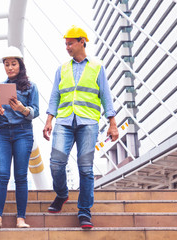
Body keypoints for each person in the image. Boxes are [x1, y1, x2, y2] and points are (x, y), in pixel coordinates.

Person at [43, 26, 119, 229]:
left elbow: (106, 96)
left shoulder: (97, 66)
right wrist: (49, 120)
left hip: (88, 123)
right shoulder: (62, 69)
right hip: (64, 122)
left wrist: (113, 124)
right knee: (56, 163)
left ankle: (84, 211)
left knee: (85, 169)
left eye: (70, 43)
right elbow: (54, 96)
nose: (67, 47)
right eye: (65, 43)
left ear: (82, 42)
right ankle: (62, 194)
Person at [0, 46, 39, 229]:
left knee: (21, 176)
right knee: (1, 175)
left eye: (13, 64)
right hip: (1, 133)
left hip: (23, 132)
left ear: (20, 65)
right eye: (7, 64)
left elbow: (35, 111)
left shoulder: (31, 87)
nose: (10, 67)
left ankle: (21, 218)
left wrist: (21, 109)